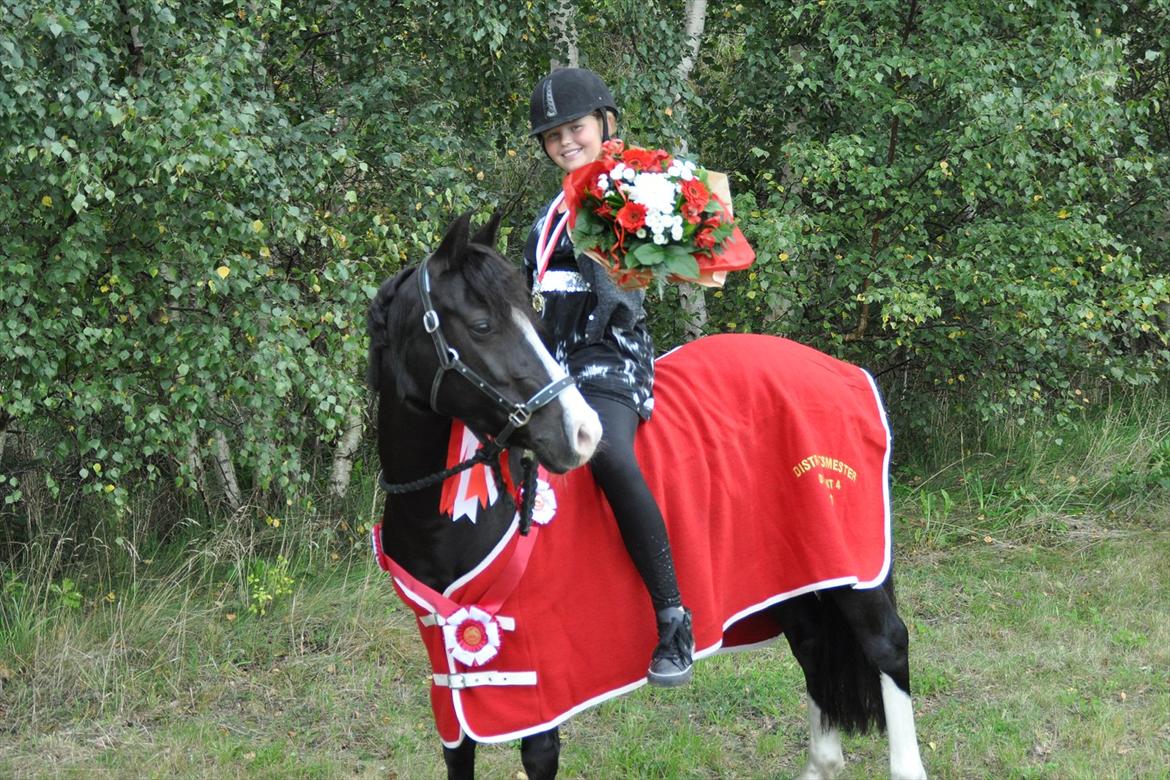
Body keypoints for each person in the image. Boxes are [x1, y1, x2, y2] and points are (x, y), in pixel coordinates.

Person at [522, 67, 693, 687]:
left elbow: (622, 290)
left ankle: (673, 615)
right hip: (548, 361)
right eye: (553, 135)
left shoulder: (622, 188)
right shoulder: (553, 207)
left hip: (606, 354)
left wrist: (581, 339)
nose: (565, 141)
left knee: (611, 453)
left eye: (576, 128)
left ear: (605, 126)